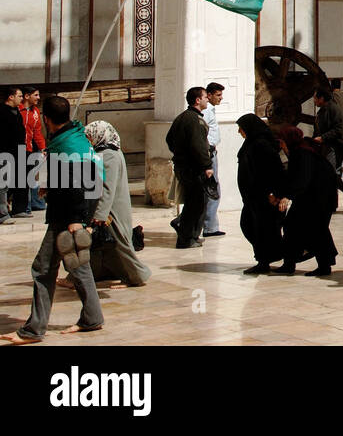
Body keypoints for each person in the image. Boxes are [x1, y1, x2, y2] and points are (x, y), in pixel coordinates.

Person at [2, 95, 103, 345]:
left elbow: (77, 185)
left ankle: (33, 330)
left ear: (46, 119)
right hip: (73, 210)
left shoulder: (67, 145)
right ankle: (92, 317)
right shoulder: (74, 136)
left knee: (43, 269)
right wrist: (50, 184)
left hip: (67, 215)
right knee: (77, 264)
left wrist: (76, 220)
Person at [81, 121, 151, 287]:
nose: (88, 140)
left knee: (120, 244)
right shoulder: (105, 152)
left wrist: (100, 214)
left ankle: (137, 276)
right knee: (103, 245)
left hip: (113, 210)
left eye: (90, 137)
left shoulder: (109, 155)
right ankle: (98, 274)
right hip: (108, 208)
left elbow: (107, 187)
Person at [272, 125, 338, 276]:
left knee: (316, 230)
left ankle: (323, 265)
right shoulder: (299, 151)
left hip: (319, 198)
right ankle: (290, 263)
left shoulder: (303, 153)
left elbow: (303, 178)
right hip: (310, 197)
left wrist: (288, 196)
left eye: (282, 141)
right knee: (294, 226)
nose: (281, 145)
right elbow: (293, 178)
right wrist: (280, 194)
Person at [235, 113, 285, 275]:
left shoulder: (261, 145)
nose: (239, 132)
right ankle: (265, 258)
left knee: (260, 228)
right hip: (253, 197)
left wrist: (273, 192)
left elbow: (273, 171)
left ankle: (266, 260)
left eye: (241, 128)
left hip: (263, 196)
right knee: (252, 226)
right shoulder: (252, 143)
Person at [166, 86, 213, 248]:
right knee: (195, 203)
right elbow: (198, 146)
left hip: (184, 166)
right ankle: (185, 238)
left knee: (196, 202)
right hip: (193, 169)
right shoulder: (193, 120)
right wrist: (206, 165)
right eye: (205, 97)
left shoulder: (183, 117)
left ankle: (192, 234)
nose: (208, 99)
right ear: (197, 100)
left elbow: (169, 140)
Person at [312, 87, 343, 212]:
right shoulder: (324, 110)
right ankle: (334, 203)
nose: (314, 100)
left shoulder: (334, 109)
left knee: (330, 174)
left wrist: (322, 138)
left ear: (322, 98)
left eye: (315, 97)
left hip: (334, 146)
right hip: (326, 146)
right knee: (330, 174)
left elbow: (339, 129)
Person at [201, 81, 225, 238]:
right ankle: (209, 227)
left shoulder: (211, 110)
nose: (221, 98)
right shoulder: (207, 111)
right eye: (218, 95)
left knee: (209, 189)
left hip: (210, 152)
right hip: (208, 153)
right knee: (212, 190)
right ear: (208, 95)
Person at [0, 87, 26, 222]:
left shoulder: (17, 112)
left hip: (16, 153)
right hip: (4, 152)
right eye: (20, 96)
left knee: (10, 183)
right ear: (11, 97)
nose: (22, 99)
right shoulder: (2, 112)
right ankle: (2, 214)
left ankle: (9, 210)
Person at [20, 87, 45, 212]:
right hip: (19, 148)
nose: (38, 98)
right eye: (36, 95)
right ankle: (25, 206)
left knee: (34, 176)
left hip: (30, 148)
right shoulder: (18, 110)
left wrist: (43, 148)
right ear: (27, 96)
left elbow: (37, 132)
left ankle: (36, 203)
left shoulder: (35, 112)